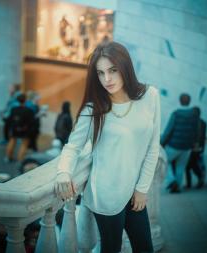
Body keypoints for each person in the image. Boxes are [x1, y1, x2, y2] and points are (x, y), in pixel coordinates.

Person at [55, 41, 160, 253]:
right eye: (100, 73)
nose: (107, 79)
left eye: (112, 70)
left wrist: (141, 189)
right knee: (111, 248)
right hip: (106, 192)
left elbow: (153, 147)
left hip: (134, 190)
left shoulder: (150, 96)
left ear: (125, 68)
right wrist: (63, 172)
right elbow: (72, 147)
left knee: (145, 248)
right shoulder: (94, 108)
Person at [161, 93, 200, 193]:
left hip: (174, 145)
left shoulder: (176, 114)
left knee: (164, 161)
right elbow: (196, 131)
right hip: (187, 146)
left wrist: (161, 142)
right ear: (189, 101)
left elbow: (168, 130)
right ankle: (177, 186)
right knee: (181, 166)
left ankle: (171, 181)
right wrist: (194, 143)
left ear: (180, 101)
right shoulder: (194, 115)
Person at [5, 94, 35, 163]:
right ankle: (20, 159)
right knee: (24, 144)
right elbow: (31, 121)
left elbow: (10, 119)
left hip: (15, 129)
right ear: (25, 100)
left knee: (12, 141)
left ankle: (8, 157)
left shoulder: (14, 109)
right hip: (25, 130)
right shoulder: (29, 111)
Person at [185, 107, 207, 189]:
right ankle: (196, 180)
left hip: (193, 148)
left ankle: (190, 183)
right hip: (198, 148)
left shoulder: (191, 123)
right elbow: (203, 137)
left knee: (189, 166)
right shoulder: (203, 123)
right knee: (191, 165)